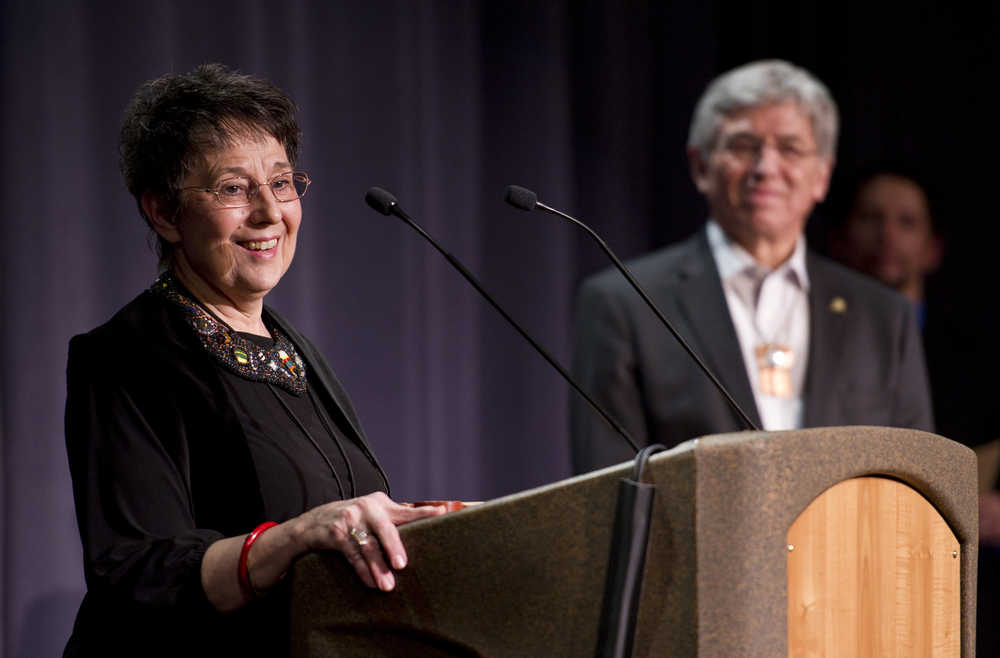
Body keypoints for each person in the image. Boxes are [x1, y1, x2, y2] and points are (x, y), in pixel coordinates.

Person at [63, 64, 445, 656]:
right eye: (234, 189)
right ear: (163, 212)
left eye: (282, 182)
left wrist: (442, 529)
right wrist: (291, 537)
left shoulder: (294, 350)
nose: (270, 213)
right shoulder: (125, 357)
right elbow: (135, 570)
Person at [571, 60, 934, 473]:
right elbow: (605, 492)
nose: (765, 168)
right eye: (743, 146)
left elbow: (916, 487)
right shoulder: (624, 302)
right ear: (700, 166)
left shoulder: (883, 317)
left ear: (821, 177)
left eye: (790, 148)